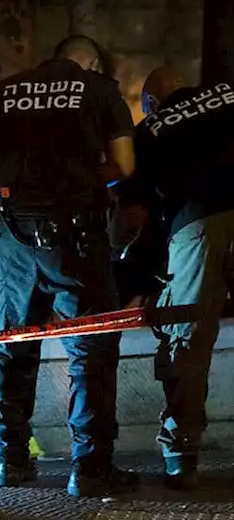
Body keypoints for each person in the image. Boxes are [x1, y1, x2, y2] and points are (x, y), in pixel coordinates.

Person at [0, 35, 137, 497]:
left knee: (11, 341)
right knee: (90, 348)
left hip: (14, 235)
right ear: (90, 63)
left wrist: (5, 190)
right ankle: (90, 470)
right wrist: (82, 187)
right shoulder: (100, 90)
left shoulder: (4, 90)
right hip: (76, 234)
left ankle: (10, 461)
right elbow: (123, 163)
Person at [119, 66, 234, 489]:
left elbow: (132, 215)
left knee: (186, 337)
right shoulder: (227, 92)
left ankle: (181, 451)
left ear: (150, 103)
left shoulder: (148, 131)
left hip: (196, 224)